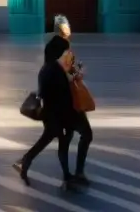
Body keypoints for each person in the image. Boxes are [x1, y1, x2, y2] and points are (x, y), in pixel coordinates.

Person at [13, 44, 92, 189]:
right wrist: (75, 75)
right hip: (61, 112)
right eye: (64, 52)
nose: (67, 54)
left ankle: (27, 161)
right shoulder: (51, 70)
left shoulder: (54, 67)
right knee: (64, 138)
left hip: (62, 112)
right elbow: (59, 88)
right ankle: (70, 176)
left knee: (53, 138)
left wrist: (74, 73)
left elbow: (66, 81)